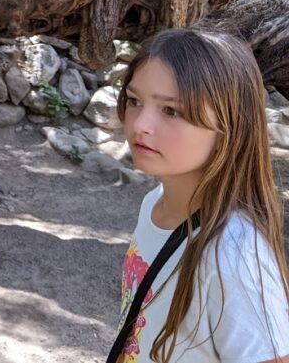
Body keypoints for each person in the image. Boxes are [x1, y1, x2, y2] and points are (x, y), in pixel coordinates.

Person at [116, 28, 289, 363]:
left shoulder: (233, 257)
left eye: (170, 111)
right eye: (135, 101)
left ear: (230, 127)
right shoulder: (154, 204)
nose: (140, 124)